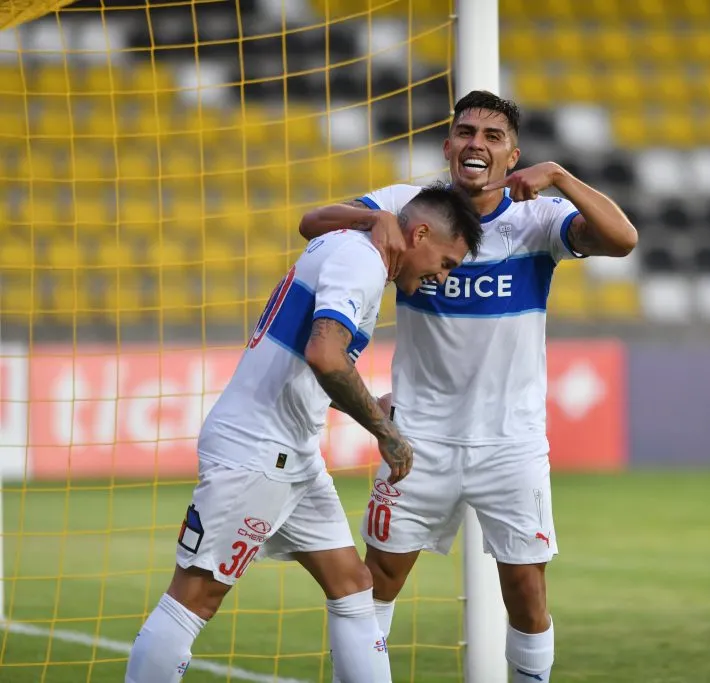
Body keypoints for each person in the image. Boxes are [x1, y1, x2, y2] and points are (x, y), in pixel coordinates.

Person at [298, 90, 638, 682]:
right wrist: (373, 218)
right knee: (376, 584)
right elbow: (311, 223)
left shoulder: (538, 220)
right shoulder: (407, 205)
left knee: (526, 591)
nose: (475, 143)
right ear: (448, 145)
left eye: (492, 136)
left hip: (512, 444)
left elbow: (622, 238)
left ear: (513, 156)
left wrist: (559, 176)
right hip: (417, 440)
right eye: (465, 132)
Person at [125, 184, 482, 683]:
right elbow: (324, 355)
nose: (440, 277)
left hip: (291, 453)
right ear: (419, 233)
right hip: (257, 452)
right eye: (444, 261)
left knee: (354, 585)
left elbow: (308, 360)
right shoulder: (362, 262)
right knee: (195, 596)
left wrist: (368, 401)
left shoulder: (346, 245)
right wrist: (386, 432)